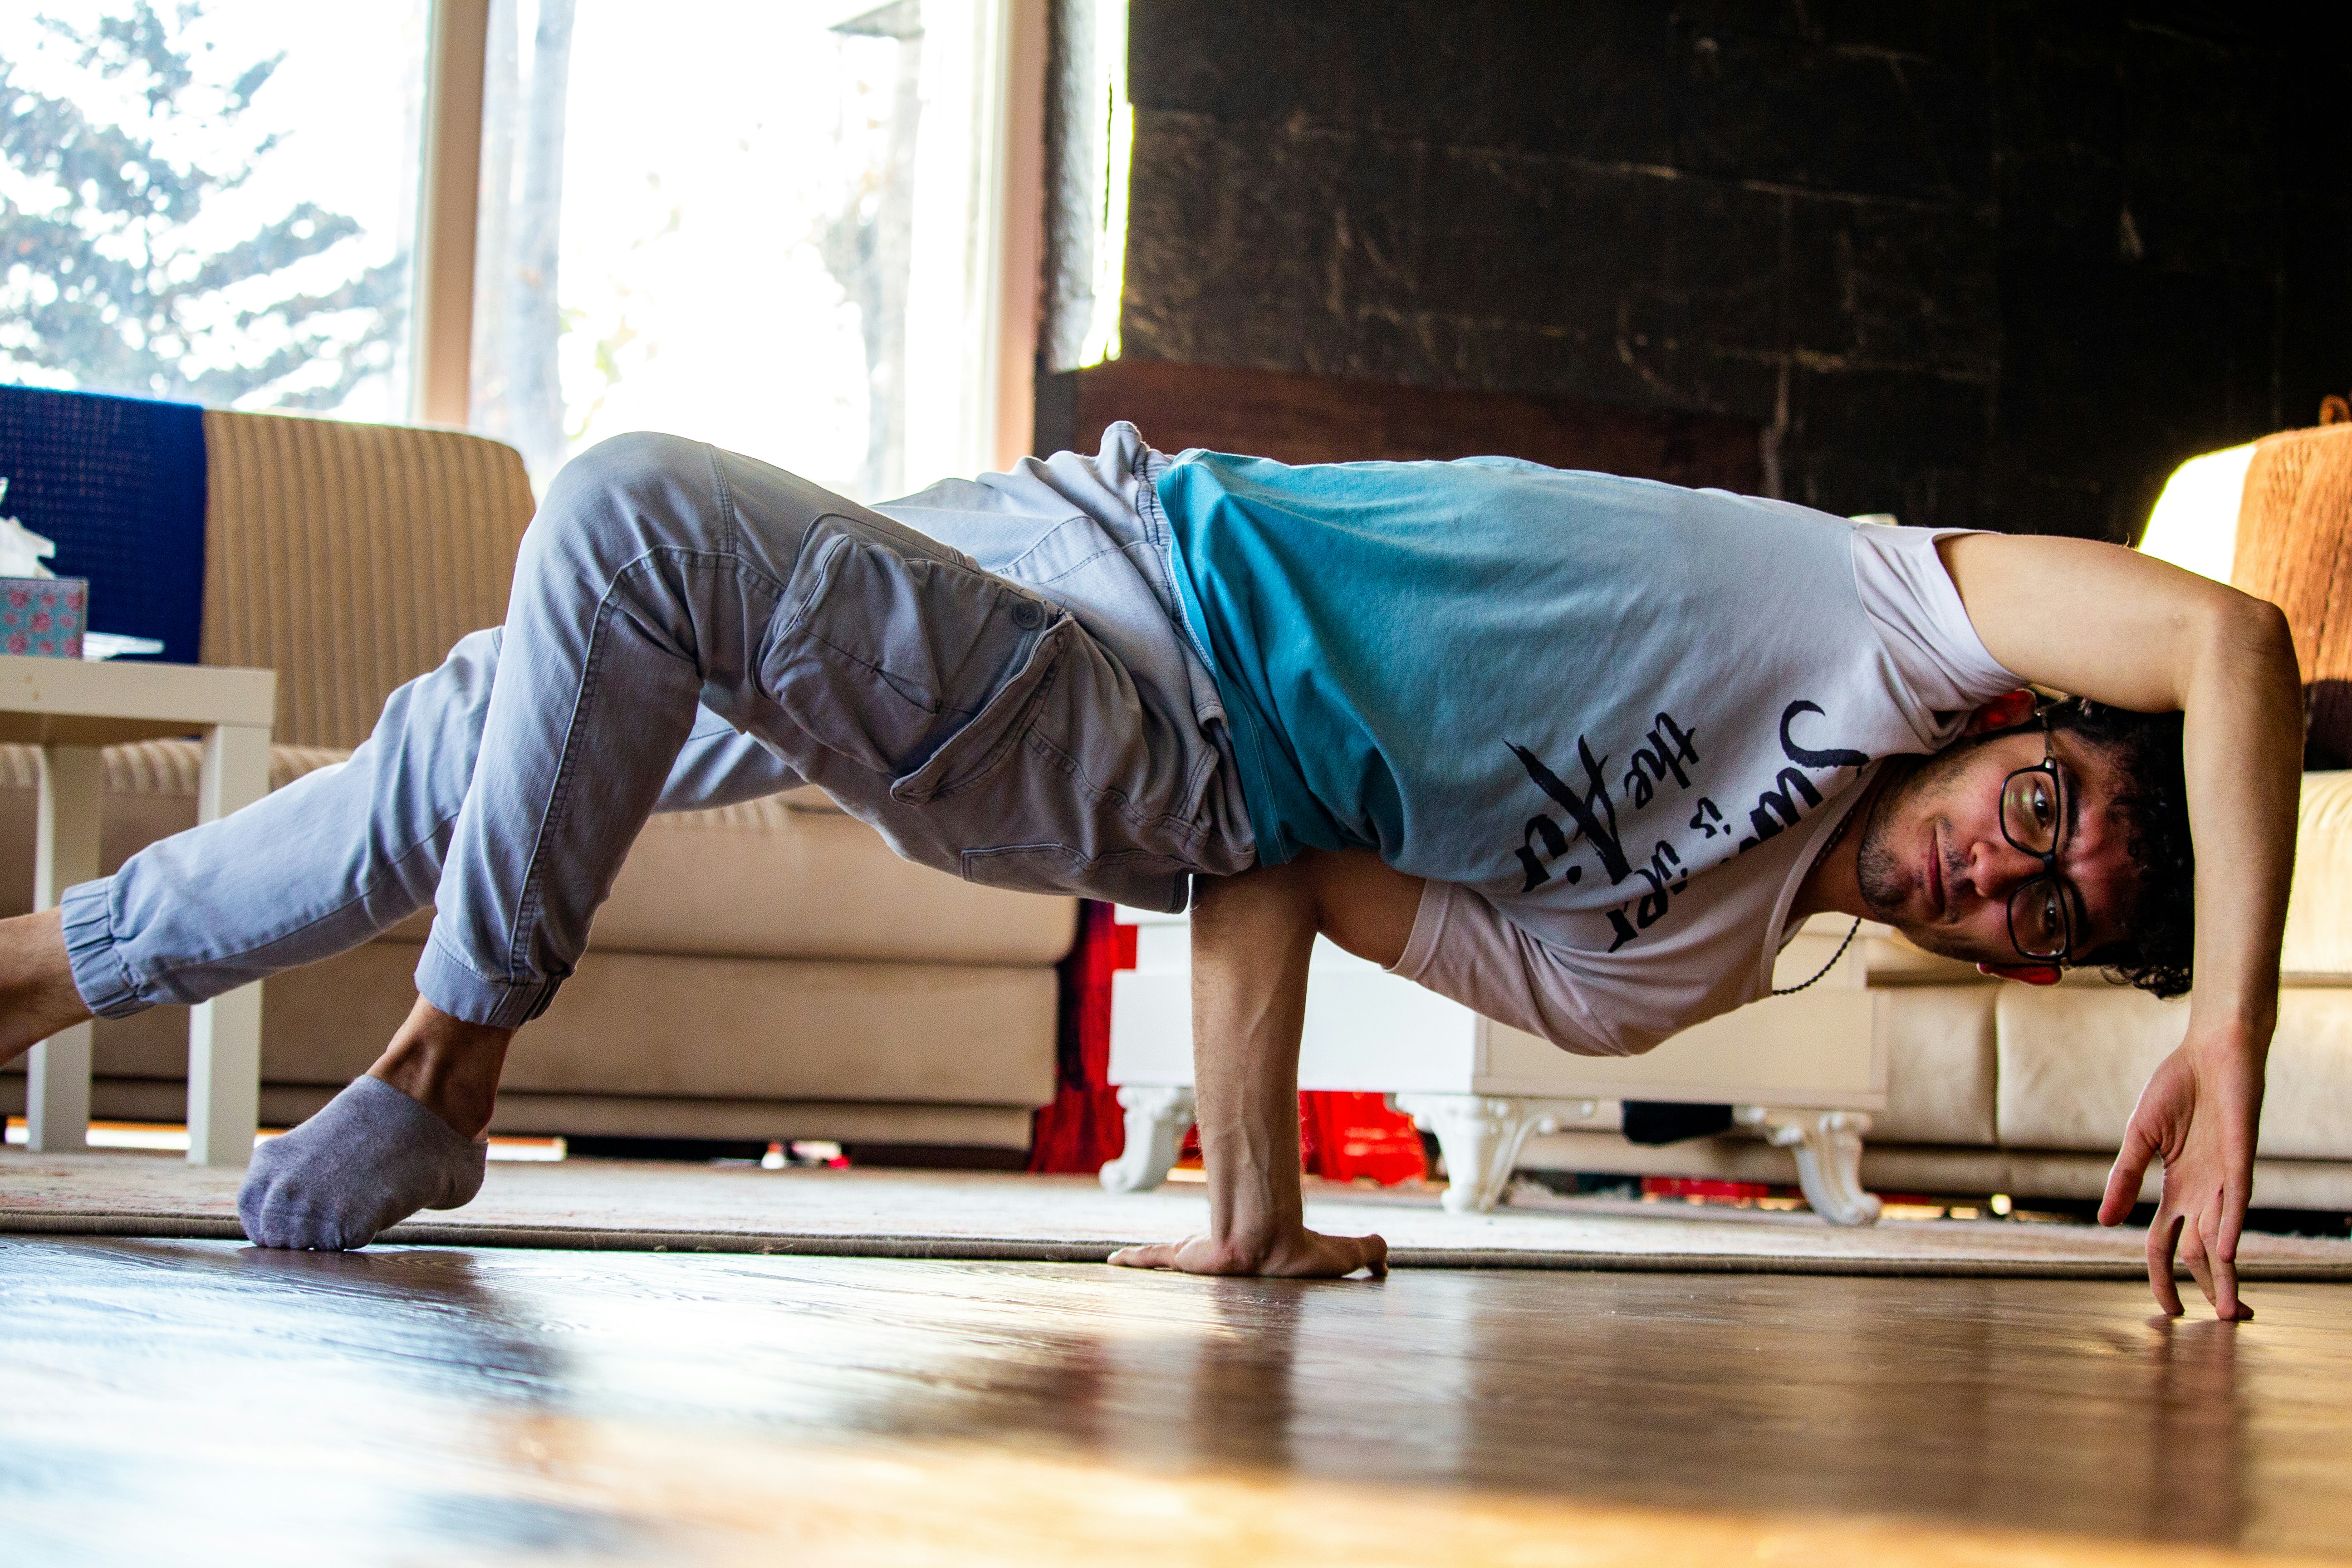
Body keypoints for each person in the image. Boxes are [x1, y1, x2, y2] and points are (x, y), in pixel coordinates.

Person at [0, 424, 2298, 1319]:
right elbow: (2231, 633)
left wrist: (1254, 1179)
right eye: (2045, 820)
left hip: (1129, 722)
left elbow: (1270, 855)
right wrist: (2228, 1030)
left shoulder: (1663, 973)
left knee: (624, 517)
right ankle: (26, 974)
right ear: (2020, 721)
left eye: (2059, 920)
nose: (2009, 889)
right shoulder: (1897, 616)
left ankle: (448, 1061)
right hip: (1081, 531)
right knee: (488, 722)